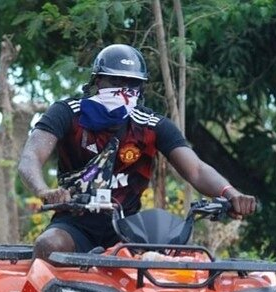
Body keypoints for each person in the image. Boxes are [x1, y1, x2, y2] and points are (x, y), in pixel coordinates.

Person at [17, 44, 257, 259]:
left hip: (128, 226)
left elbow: (196, 169)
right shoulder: (68, 113)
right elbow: (30, 157)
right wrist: (45, 191)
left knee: (177, 257)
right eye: (116, 81)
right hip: (74, 222)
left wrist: (230, 194)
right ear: (97, 82)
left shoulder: (151, 125)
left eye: (133, 84)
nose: (124, 90)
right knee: (49, 244)